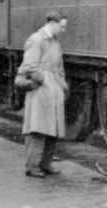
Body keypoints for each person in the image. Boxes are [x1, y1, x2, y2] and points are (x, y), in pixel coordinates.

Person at [18, 11, 68, 177]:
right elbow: (29, 66)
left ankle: (45, 165)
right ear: (52, 23)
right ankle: (32, 167)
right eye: (61, 26)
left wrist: (62, 86)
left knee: (52, 129)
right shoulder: (37, 39)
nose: (63, 30)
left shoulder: (54, 41)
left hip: (53, 90)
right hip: (41, 90)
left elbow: (59, 67)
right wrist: (44, 81)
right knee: (38, 129)